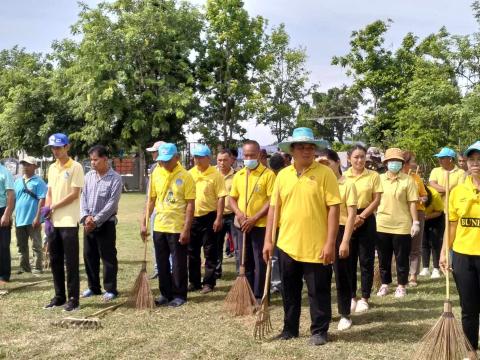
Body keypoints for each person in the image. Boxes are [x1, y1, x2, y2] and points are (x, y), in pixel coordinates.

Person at [263, 127, 340, 346]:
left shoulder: (325, 174)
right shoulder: (282, 176)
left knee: (318, 291)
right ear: (292, 150)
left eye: (310, 147)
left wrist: (330, 243)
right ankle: (290, 328)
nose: (306, 151)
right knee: (290, 290)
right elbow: (273, 209)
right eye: (301, 147)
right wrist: (269, 240)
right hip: (287, 244)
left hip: (317, 246)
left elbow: (333, 209)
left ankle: (319, 331)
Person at [142, 143, 195, 307]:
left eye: (167, 160)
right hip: (159, 225)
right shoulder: (156, 173)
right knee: (162, 262)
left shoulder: (186, 176)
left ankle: (179, 295)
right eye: (161, 160)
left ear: (177, 157)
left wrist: (186, 228)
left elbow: (190, 205)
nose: (163, 163)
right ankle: (165, 294)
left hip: (177, 226)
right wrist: (144, 222)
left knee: (179, 263)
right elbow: (151, 200)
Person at [440, 140, 480, 354]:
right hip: (463, 256)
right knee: (469, 308)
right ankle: (471, 351)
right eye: (472, 160)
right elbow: (452, 225)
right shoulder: (458, 191)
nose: (476, 164)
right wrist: (444, 251)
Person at [43, 133, 85, 311]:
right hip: (54, 221)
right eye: (53, 148)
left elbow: (75, 194)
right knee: (55, 260)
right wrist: (47, 211)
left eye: (59, 147)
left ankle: (73, 298)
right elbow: (49, 192)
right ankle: (59, 296)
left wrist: (53, 207)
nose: (55, 151)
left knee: (71, 261)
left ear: (67, 147)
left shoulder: (76, 167)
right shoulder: (51, 168)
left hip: (68, 220)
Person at [230, 140, 275, 301]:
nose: (248, 158)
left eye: (252, 155)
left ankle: (260, 295)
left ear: (259, 155)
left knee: (260, 261)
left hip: (261, 225)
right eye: (246, 155)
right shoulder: (239, 175)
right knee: (245, 260)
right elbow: (232, 198)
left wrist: (255, 218)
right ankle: (247, 293)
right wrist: (239, 214)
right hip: (242, 224)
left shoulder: (268, 175)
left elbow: (272, 201)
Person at [318, 148, 357, 331]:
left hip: (341, 231)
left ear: (337, 162)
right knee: (321, 276)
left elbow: (351, 215)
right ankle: (324, 312)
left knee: (342, 275)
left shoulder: (347, 184)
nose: (324, 166)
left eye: (327, 162)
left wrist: (345, 241)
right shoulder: (318, 183)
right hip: (320, 232)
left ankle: (345, 313)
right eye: (320, 163)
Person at [80, 145, 123, 302]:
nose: (93, 163)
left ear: (105, 159)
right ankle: (93, 287)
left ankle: (111, 289)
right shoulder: (88, 177)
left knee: (108, 257)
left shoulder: (115, 178)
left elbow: (112, 204)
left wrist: (96, 220)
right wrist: (86, 217)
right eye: (91, 160)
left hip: (106, 224)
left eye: (95, 159)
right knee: (89, 255)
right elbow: (82, 198)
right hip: (88, 223)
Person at [376, 148, 419, 298]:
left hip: (402, 225)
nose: (394, 163)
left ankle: (401, 285)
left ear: (402, 164)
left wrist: (416, 222)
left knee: (401, 258)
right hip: (382, 224)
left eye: (398, 161)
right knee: (383, 257)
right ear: (386, 163)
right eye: (391, 161)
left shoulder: (408, 180)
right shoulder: (379, 179)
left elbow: (412, 202)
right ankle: (385, 284)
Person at [344, 144, 382, 313]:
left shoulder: (373, 175)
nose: (360, 160)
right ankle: (352, 296)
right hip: (347, 219)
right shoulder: (343, 177)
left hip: (366, 218)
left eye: (362, 156)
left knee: (366, 260)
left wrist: (362, 217)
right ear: (349, 159)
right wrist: (352, 218)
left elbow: (376, 200)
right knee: (349, 260)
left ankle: (364, 297)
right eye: (356, 157)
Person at [188, 144, 226, 294]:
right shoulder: (189, 174)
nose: (197, 160)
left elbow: (221, 198)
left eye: (200, 157)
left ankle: (209, 283)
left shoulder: (216, 175)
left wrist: (218, 218)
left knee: (210, 251)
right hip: (192, 217)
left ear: (208, 158)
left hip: (209, 217)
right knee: (192, 252)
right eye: (195, 157)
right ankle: (194, 282)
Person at [14, 156, 47, 275]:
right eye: (24, 164)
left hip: (33, 219)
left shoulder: (39, 182)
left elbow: (42, 199)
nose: (25, 167)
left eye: (28, 165)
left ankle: (37, 268)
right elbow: (13, 199)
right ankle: (24, 267)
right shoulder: (17, 182)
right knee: (21, 246)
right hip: (19, 219)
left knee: (36, 245)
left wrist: (38, 217)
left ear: (34, 167)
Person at [402, 151, 428, 287]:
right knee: (401, 244)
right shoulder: (398, 177)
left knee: (415, 245)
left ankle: (413, 275)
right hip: (401, 213)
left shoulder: (416, 178)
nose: (415, 163)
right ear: (405, 163)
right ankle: (402, 274)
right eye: (413, 161)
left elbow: (425, 195)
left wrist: (421, 198)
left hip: (418, 212)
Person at [268, 152, 287, 294]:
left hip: (286, 224)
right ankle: (277, 283)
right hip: (276, 222)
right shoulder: (273, 177)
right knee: (275, 256)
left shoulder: (287, 176)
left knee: (279, 256)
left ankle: (278, 283)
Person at [214, 149, 235, 279]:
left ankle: (241, 272)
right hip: (217, 216)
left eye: (225, 160)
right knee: (216, 245)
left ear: (231, 160)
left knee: (238, 246)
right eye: (219, 160)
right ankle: (216, 272)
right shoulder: (212, 174)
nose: (222, 163)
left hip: (233, 215)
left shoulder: (238, 175)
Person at [145, 140, 164, 279]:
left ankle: (168, 268)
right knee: (155, 241)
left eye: (154, 152)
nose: (152, 154)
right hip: (154, 209)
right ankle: (158, 268)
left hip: (168, 211)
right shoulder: (153, 168)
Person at [419, 183, 444, 279]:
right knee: (424, 243)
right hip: (422, 217)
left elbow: (439, 211)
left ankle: (436, 268)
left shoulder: (434, 194)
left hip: (435, 217)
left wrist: (426, 217)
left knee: (435, 243)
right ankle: (425, 268)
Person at [0, 160, 15, 285]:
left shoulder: (5, 172)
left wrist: (6, 214)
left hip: (2, 210)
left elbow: (11, 195)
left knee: (3, 245)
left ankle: (4, 275)